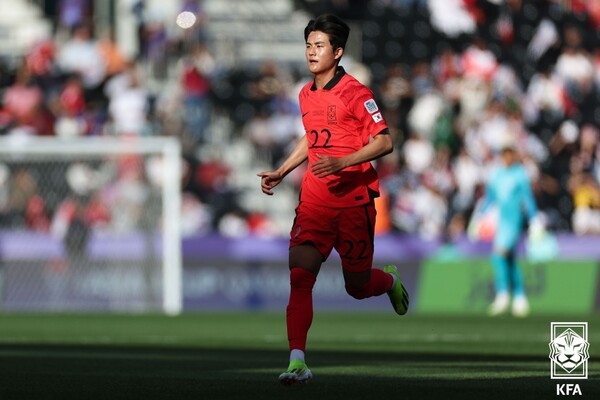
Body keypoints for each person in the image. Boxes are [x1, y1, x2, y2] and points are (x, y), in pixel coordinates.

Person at [257, 14, 409, 385]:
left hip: (354, 201)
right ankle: (297, 361)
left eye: (319, 45)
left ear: (338, 52)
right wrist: (283, 170)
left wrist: (344, 160)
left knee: (357, 288)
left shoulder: (358, 93)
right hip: (314, 203)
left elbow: (384, 141)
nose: (312, 51)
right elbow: (311, 138)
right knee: (300, 276)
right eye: (308, 45)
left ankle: (389, 283)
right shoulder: (305, 94)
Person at [475, 142, 540, 318]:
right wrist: (479, 216)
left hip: (514, 221)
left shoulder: (520, 174)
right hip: (502, 222)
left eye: (510, 153)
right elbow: (490, 198)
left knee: (499, 254)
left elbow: (527, 199)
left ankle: (502, 295)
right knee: (509, 259)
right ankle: (519, 297)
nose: (507, 156)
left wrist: (534, 219)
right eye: (504, 153)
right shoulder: (497, 175)